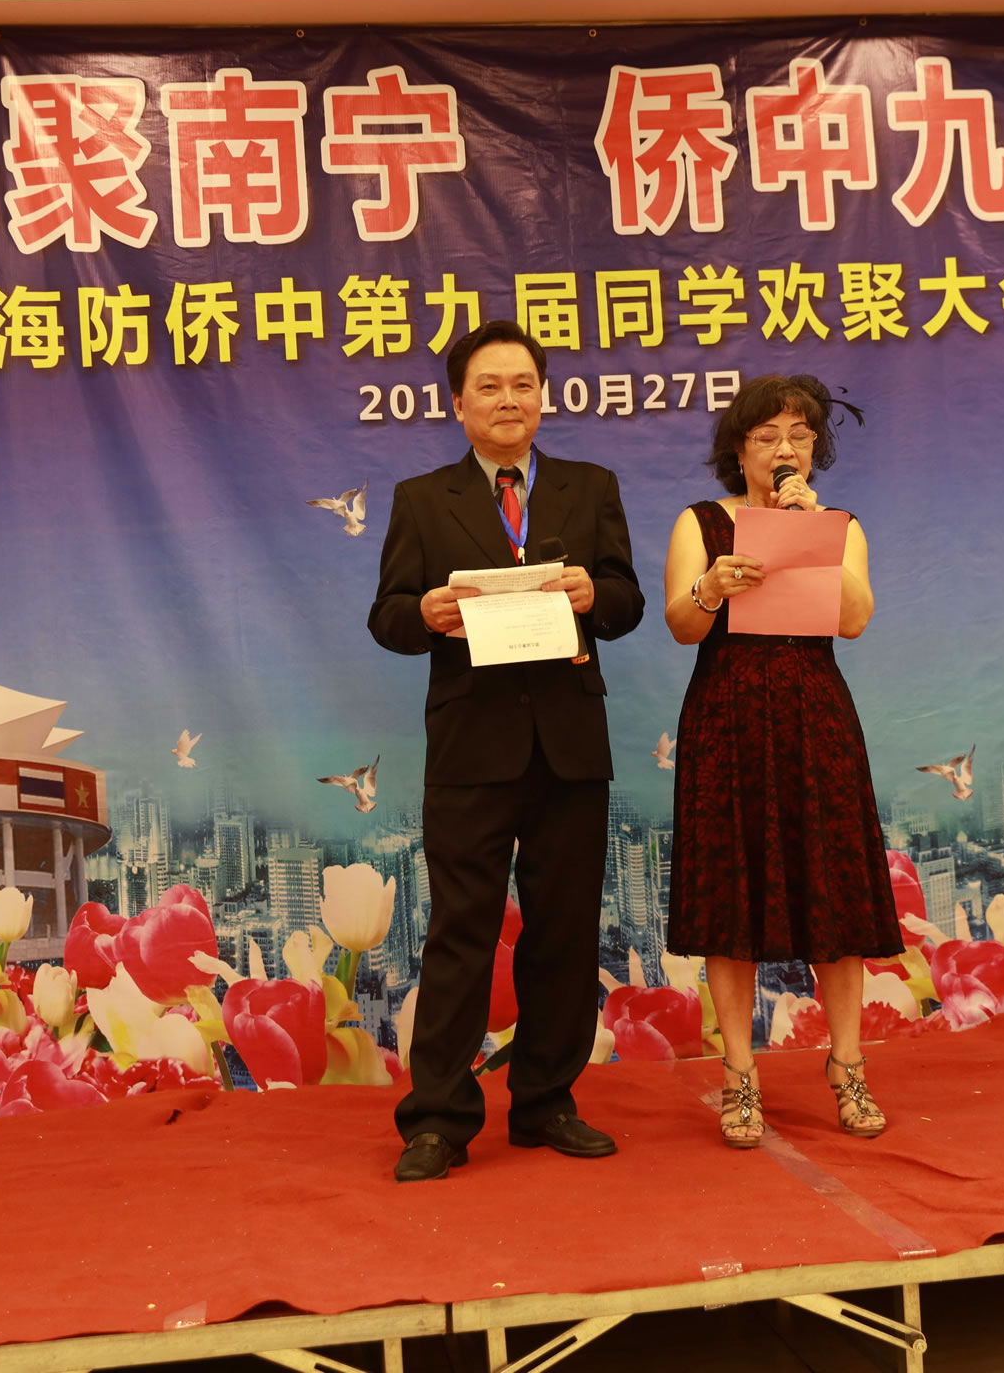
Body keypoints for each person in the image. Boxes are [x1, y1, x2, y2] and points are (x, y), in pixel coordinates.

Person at [368, 319, 645, 1183]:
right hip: (470, 747)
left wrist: (596, 592)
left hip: (569, 746)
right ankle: (438, 1121)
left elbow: (629, 601)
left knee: (563, 934)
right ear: (459, 404)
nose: (508, 399)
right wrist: (425, 615)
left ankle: (547, 1103)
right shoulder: (424, 499)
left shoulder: (589, 487)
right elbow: (387, 616)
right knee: (461, 936)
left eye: (523, 384)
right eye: (488, 386)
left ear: (543, 396)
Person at [661, 374, 902, 1149]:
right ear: (739, 450)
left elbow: (856, 620)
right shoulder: (701, 522)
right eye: (767, 436)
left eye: (799, 435)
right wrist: (709, 586)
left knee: (834, 893)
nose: (784, 449)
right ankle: (739, 1072)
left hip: (814, 719)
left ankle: (848, 1063)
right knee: (731, 902)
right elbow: (680, 626)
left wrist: (814, 537)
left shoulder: (837, 524)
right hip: (727, 718)